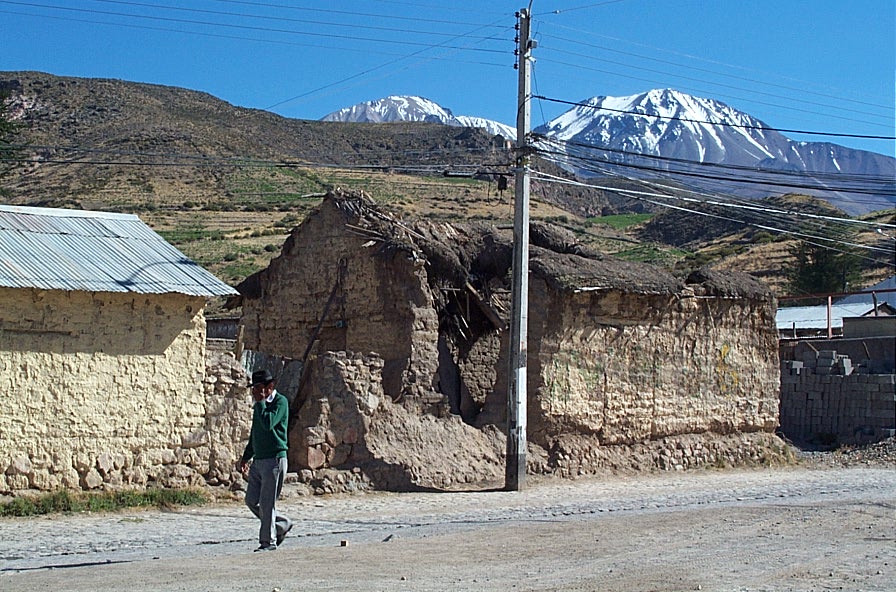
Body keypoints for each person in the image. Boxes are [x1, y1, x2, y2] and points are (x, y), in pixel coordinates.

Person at [238, 369, 293, 552]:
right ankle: (281, 525)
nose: (254, 392)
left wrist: (261, 403)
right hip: (259, 460)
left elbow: (269, 423)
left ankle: (267, 542)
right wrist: (247, 456)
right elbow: (256, 433)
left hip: (274, 460)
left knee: (267, 502)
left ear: (270, 387)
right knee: (252, 500)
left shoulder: (280, 402)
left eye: (258, 388)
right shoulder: (258, 407)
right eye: (253, 388)